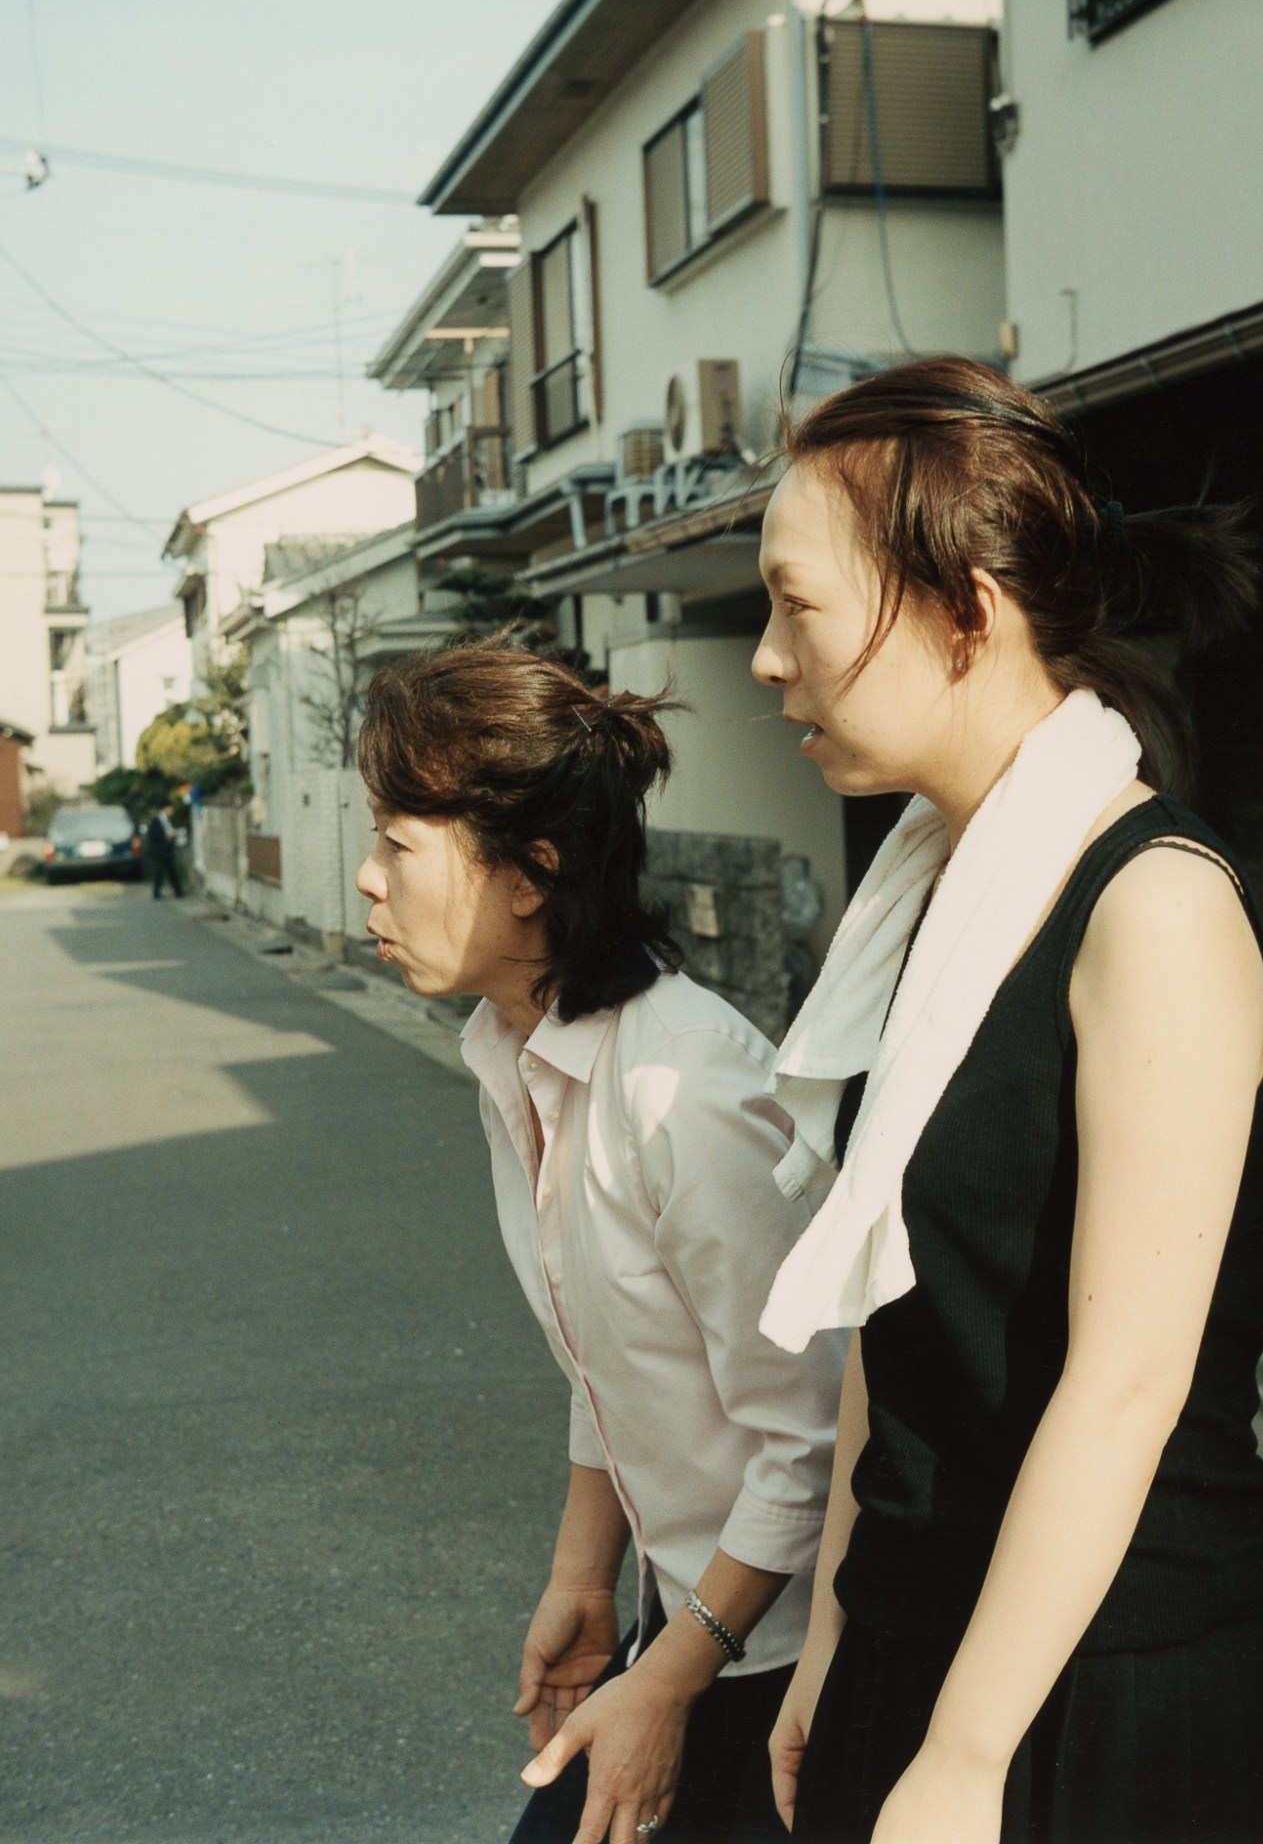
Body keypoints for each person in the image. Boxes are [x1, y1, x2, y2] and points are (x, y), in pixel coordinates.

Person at [749, 359, 1263, 1844]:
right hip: (917, 1644)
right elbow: (881, 1306)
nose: (768, 660)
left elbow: (1127, 1382)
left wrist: (965, 1762)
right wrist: (833, 1639)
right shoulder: (930, 899)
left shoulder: (1150, 904)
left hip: (1113, 1696)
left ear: (969, 608)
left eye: (796, 605)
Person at [353, 641, 844, 1844]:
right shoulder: (509, 1052)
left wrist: (670, 1677)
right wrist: (583, 1583)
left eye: (398, 845)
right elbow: (603, 1357)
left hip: (784, 1661)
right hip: (683, 1622)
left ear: (532, 873)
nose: (365, 880)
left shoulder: (685, 1082)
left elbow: (812, 1437)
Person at [144, 805, 184, 899]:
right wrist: (165, 835)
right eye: (170, 809)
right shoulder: (156, 821)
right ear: (165, 809)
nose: (172, 811)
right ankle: (156, 892)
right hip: (158, 851)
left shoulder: (167, 820)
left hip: (167, 850)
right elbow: (153, 835)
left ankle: (178, 891)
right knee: (159, 872)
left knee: (171, 871)